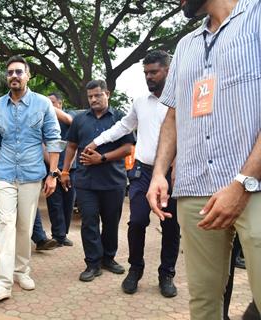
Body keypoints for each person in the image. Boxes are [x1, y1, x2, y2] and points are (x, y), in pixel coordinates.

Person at [146, 0, 261, 318]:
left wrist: (242, 181)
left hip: (254, 186)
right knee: (203, 301)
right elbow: (173, 114)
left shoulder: (256, 17)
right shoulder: (185, 45)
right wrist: (158, 174)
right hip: (194, 188)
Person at [84, 50, 180, 297]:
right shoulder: (140, 102)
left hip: (173, 175)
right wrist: (96, 142)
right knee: (137, 221)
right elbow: (124, 126)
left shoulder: (182, 100)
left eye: (154, 72)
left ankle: (166, 273)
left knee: (170, 226)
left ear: (168, 71)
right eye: (145, 73)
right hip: (142, 172)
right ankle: (135, 269)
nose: (149, 77)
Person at [0, 55, 63, 301]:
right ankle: (2, 283)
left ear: (28, 76)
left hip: (31, 174)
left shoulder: (42, 104)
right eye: (10, 73)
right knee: (6, 223)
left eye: (19, 72)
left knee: (25, 226)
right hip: (5, 173)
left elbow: (53, 139)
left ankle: (22, 270)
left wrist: (53, 174)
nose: (14, 76)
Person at [61, 79, 134, 282]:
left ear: (107, 94)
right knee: (89, 222)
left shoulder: (120, 118)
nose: (93, 99)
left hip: (114, 181)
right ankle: (93, 263)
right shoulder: (79, 119)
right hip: (86, 182)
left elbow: (128, 148)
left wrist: (101, 158)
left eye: (97, 95)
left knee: (111, 223)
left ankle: (108, 259)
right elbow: (71, 147)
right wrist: (65, 171)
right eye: (90, 96)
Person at [46, 92, 76, 247]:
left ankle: (64, 233)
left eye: (52, 102)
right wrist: (54, 168)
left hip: (70, 169)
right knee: (54, 203)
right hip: (51, 169)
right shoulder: (44, 121)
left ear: (60, 104)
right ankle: (58, 235)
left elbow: (69, 120)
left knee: (68, 202)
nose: (48, 106)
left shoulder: (69, 116)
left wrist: (47, 106)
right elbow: (42, 145)